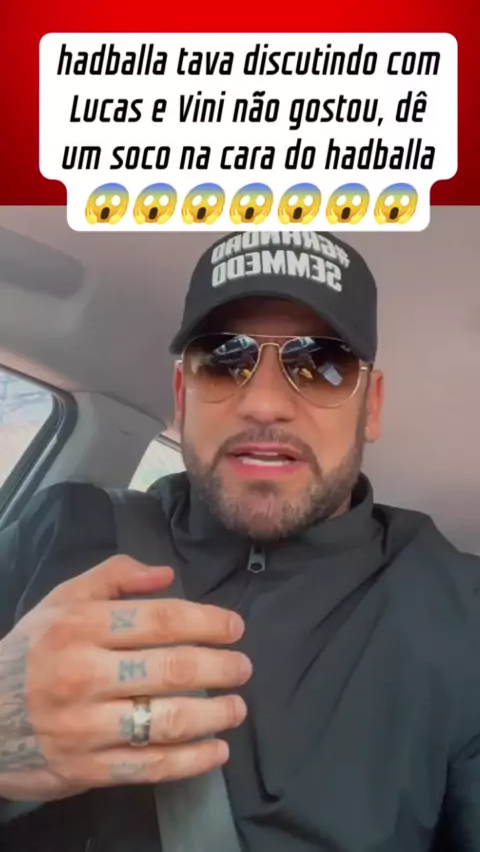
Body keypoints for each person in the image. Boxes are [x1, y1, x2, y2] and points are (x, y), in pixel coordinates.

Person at [0, 229, 479, 852]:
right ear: (182, 396)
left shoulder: (459, 610)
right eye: (224, 359)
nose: (264, 403)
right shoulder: (63, 527)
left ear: (372, 407)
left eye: (322, 364)